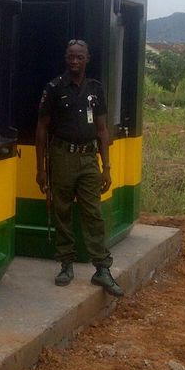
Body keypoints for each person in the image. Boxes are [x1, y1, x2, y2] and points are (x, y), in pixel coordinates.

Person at [35, 39, 123, 297]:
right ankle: (65, 264)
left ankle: (102, 269)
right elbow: (41, 129)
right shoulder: (53, 88)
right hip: (61, 156)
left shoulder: (95, 89)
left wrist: (106, 167)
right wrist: (40, 169)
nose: (75, 61)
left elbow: (102, 129)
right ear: (66, 58)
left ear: (87, 59)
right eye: (71, 56)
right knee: (61, 210)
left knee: (93, 213)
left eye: (79, 57)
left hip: (88, 159)